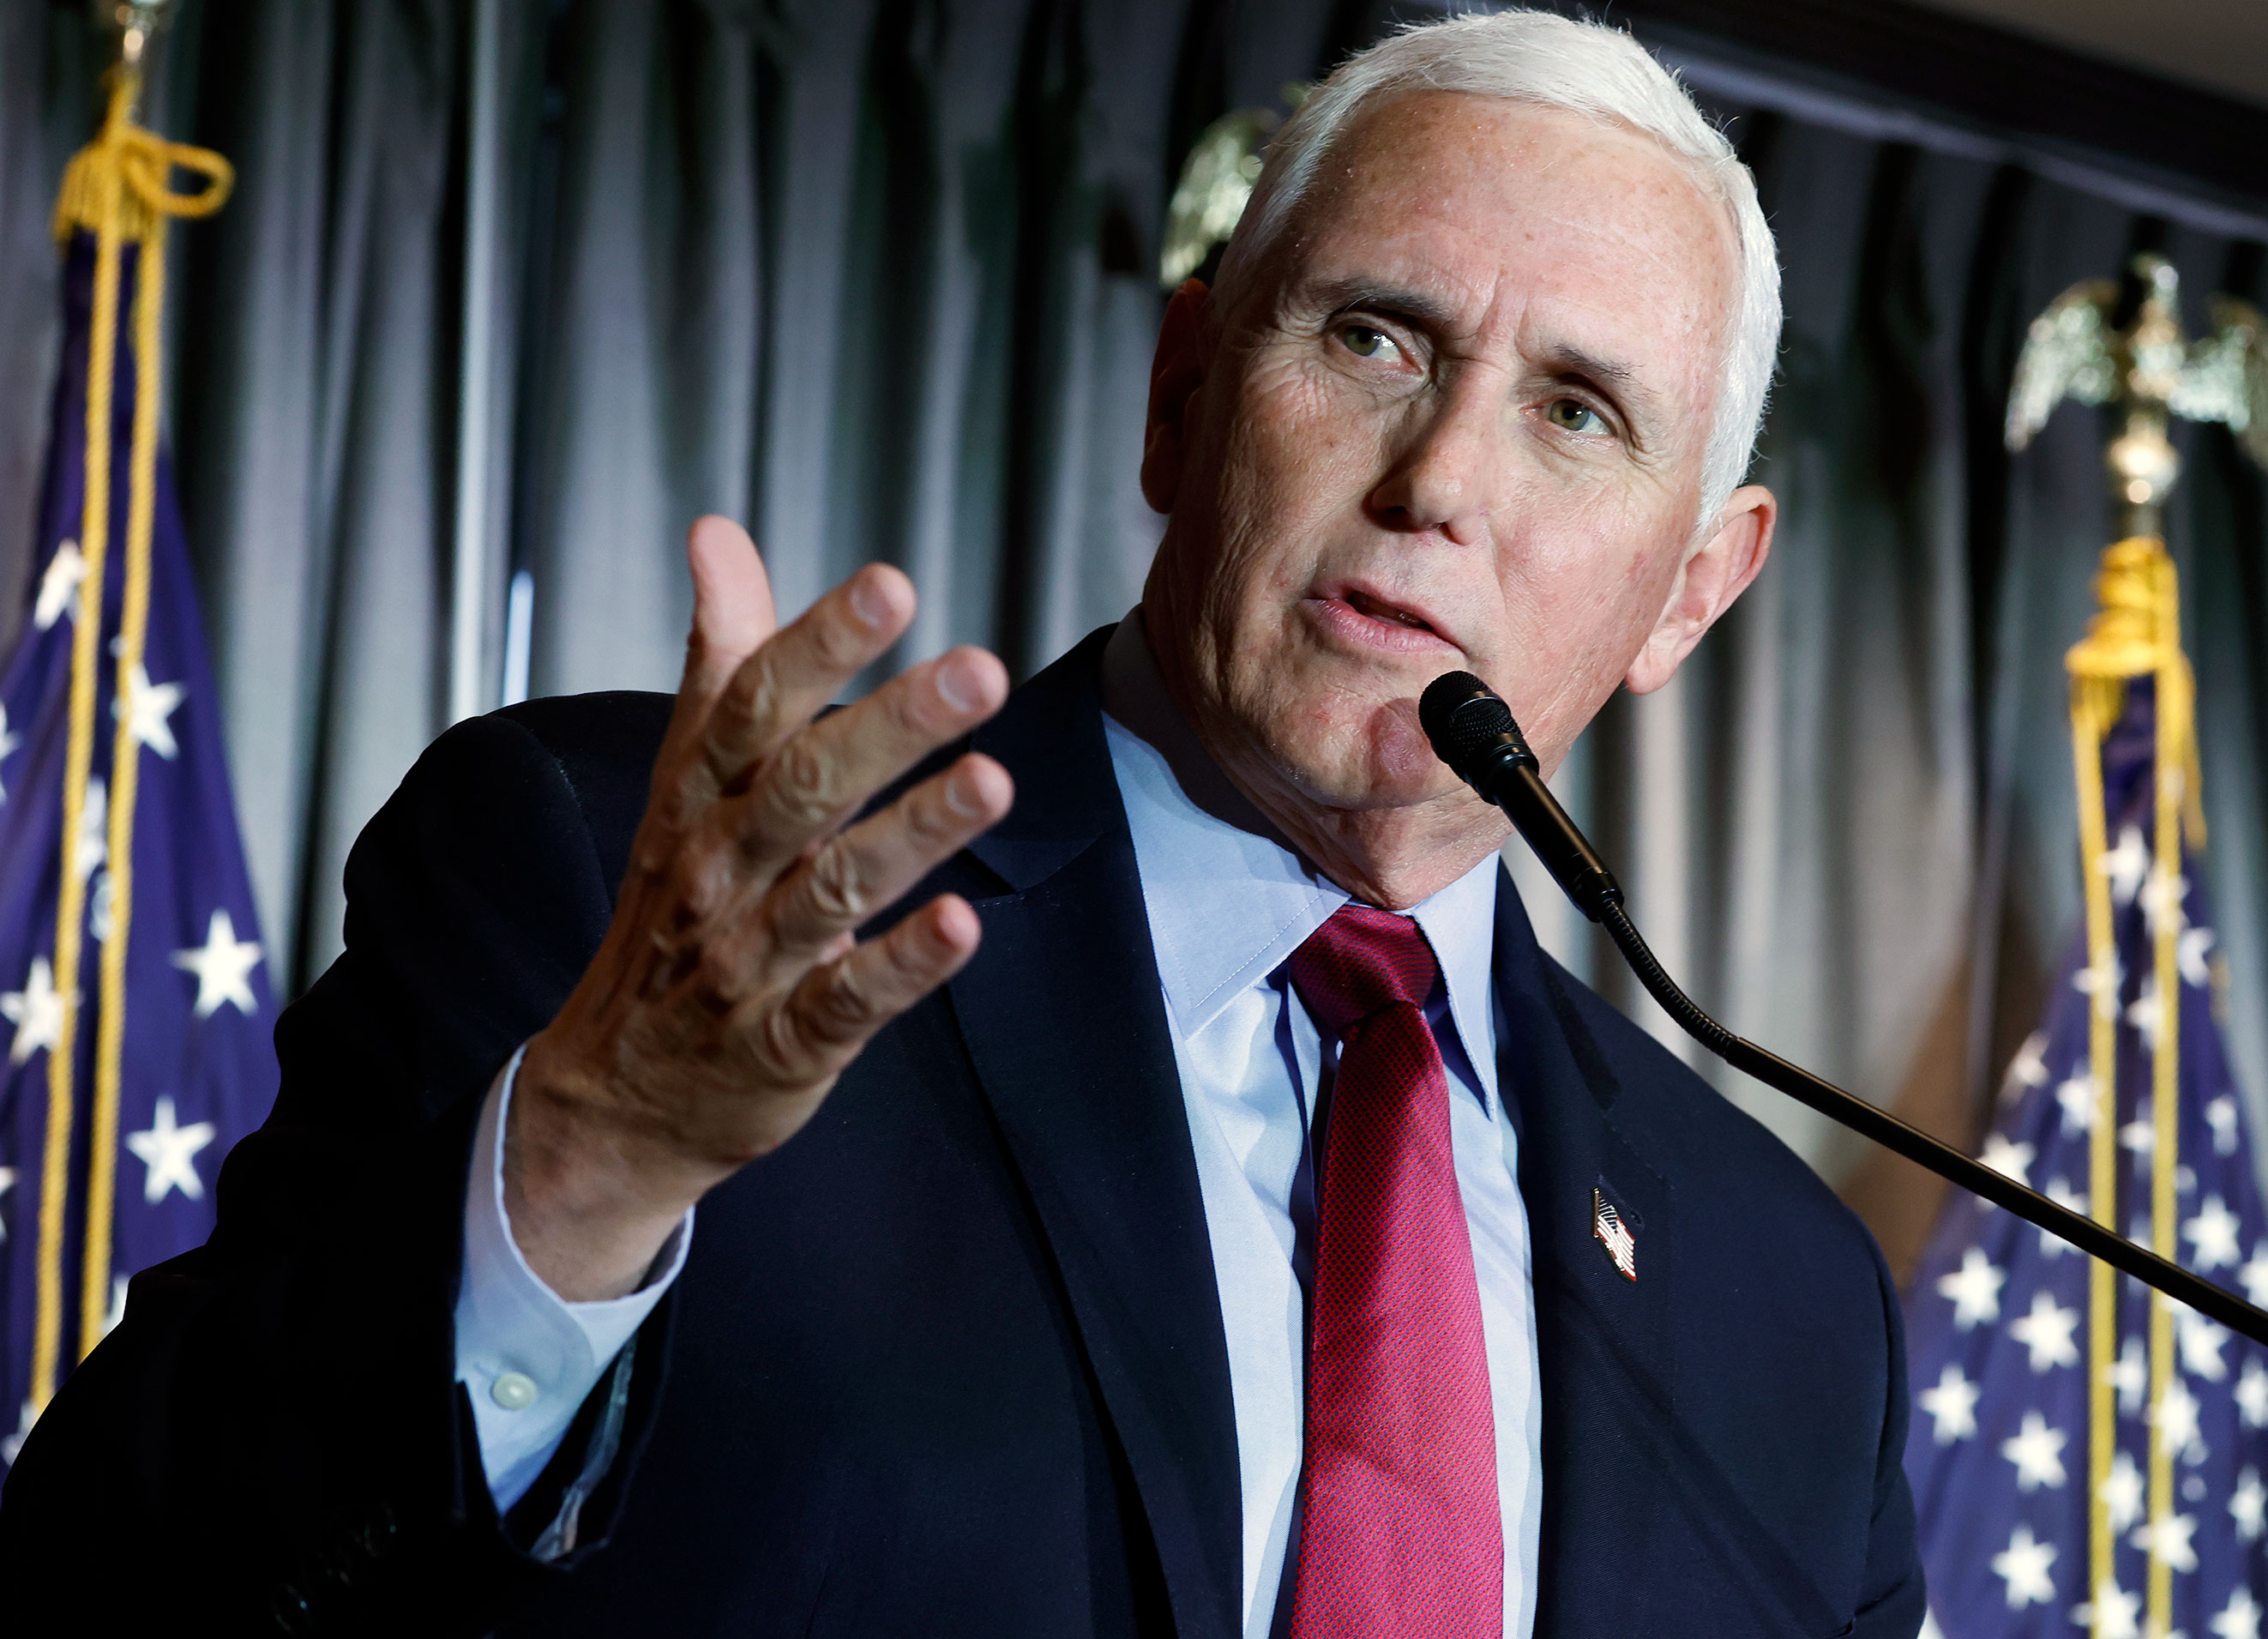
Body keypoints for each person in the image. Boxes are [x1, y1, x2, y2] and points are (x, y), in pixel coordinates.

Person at [1, 11, 1924, 1636]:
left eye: (1581, 411)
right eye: (1374, 339)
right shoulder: (652, 895)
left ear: (1693, 588)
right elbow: (111, 1576)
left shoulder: (1793, 1308)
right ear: (1183, 395)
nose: (1440, 480)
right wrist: (585, 1161)